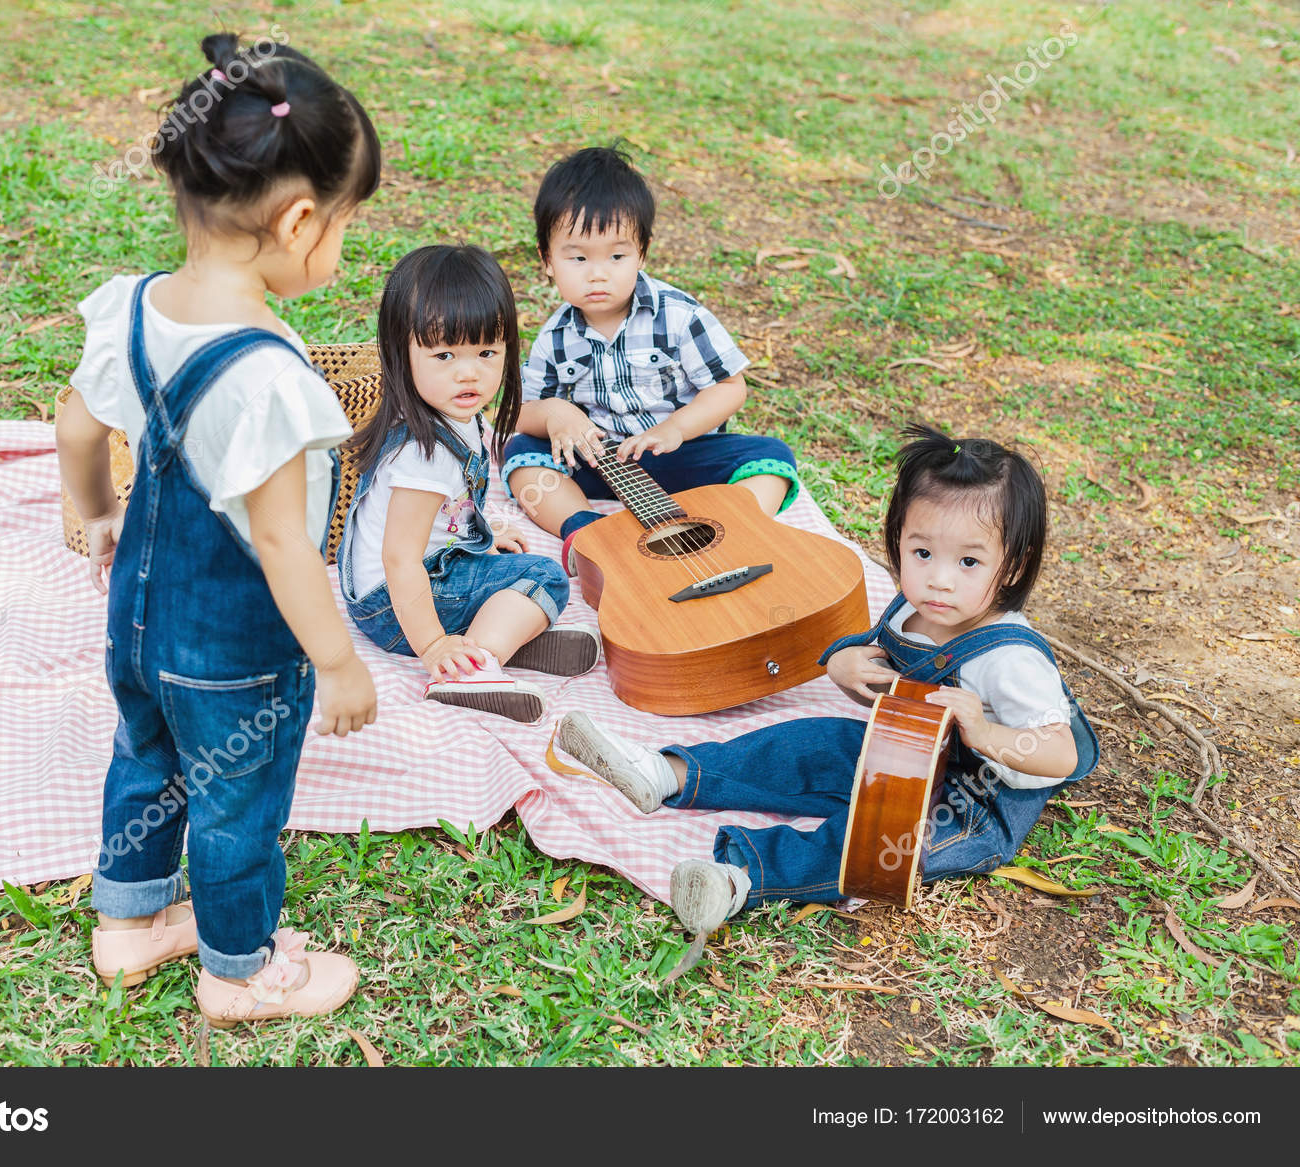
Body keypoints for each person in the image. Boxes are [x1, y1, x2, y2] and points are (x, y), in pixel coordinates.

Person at [56, 33, 381, 1023]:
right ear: (294, 220)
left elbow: (77, 422)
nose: (338, 246)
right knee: (236, 803)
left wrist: (96, 512)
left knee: (145, 758)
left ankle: (130, 923)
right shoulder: (272, 378)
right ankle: (239, 969)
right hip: (234, 651)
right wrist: (337, 662)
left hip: (138, 620)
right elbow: (283, 544)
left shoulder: (134, 310)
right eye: (342, 228)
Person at [554, 424, 1101, 935]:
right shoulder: (918, 610)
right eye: (923, 552)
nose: (937, 578)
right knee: (807, 743)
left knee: (874, 845)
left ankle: (740, 879)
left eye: (968, 563)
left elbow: (1060, 755)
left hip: (974, 801)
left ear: (1011, 565)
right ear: (898, 541)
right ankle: (668, 773)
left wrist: (983, 732)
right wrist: (843, 663)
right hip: (903, 754)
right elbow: (878, 665)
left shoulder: (1010, 660)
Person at [501, 144, 802, 575]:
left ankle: (735, 532)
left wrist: (676, 429)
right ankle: (586, 534)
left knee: (772, 457)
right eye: (578, 257)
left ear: (642, 252)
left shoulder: (679, 316)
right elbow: (521, 413)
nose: (598, 273)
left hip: (683, 456)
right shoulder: (555, 337)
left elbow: (730, 387)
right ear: (547, 261)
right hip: (600, 461)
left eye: (617, 255)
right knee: (522, 456)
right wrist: (555, 414)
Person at [339, 245, 601, 724]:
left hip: (412, 586)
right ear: (402, 352)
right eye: (444, 354)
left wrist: (479, 534)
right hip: (401, 606)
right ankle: (469, 667)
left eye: (486, 352)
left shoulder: (448, 410)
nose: (470, 372)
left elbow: (445, 512)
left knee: (519, 568)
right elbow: (399, 558)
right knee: (544, 577)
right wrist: (433, 644)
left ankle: (492, 642)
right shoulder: (425, 451)